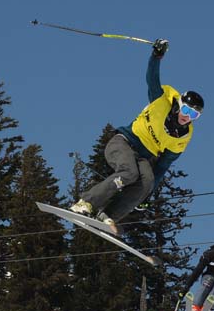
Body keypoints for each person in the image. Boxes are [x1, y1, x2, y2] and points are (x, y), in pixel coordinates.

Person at [70, 38, 204, 235]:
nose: (187, 117)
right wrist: (156, 56)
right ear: (179, 104)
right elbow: (152, 78)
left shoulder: (182, 138)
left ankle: (107, 216)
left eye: (194, 115)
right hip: (122, 143)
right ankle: (86, 203)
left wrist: (148, 195)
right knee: (129, 172)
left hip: (142, 157)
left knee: (147, 182)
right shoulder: (161, 102)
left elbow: (162, 167)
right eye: (186, 110)